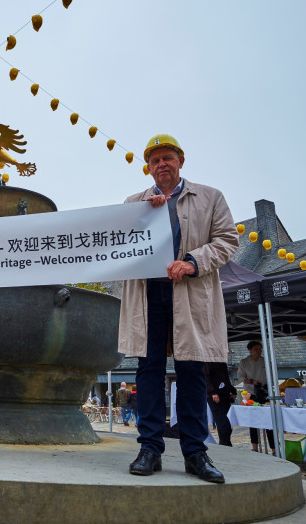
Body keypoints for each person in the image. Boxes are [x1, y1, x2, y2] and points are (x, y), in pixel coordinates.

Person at [119, 134, 238, 483]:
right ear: (149, 168)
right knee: (148, 369)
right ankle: (150, 448)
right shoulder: (134, 203)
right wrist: (140, 218)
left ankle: (195, 452)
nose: (162, 165)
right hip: (149, 295)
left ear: (181, 160)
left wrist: (192, 262)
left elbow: (228, 240)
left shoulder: (210, 197)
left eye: (167, 158)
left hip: (190, 293)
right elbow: (117, 246)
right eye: (155, 161)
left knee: (190, 371)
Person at [237, 341, 275, 454]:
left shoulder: (265, 361)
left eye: (260, 349)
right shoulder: (244, 362)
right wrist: (252, 381)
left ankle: (273, 448)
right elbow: (240, 377)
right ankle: (255, 447)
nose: (259, 351)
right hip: (251, 394)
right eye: (256, 349)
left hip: (265, 392)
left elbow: (272, 375)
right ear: (250, 349)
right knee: (252, 421)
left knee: (269, 421)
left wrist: (268, 384)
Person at [204, 362, 237, 446]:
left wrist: (232, 390)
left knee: (228, 422)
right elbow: (206, 378)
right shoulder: (208, 363)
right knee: (222, 422)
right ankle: (225, 444)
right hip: (215, 396)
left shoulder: (222, 363)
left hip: (224, 394)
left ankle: (226, 442)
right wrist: (213, 392)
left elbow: (225, 379)